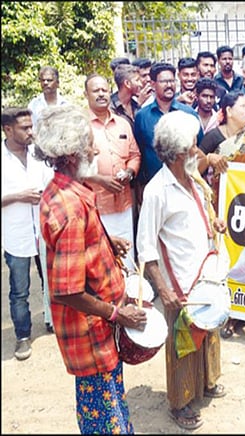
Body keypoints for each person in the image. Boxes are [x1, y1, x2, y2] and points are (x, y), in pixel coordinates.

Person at [34, 104, 147, 434]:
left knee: (110, 411)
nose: (95, 150)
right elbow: (67, 291)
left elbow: (77, 248)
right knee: (105, 421)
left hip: (97, 332)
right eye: (89, 145)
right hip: (91, 336)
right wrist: (118, 314)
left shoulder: (68, 190)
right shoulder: (69, 208)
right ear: (72, 155)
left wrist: (107, 241)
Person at [136, 110, 228, 431]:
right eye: (192, 146)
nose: (198, 151)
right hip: (180, 281)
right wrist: (163, 290)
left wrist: (216, 223)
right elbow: (146, 247)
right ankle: (180, 402)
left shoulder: (193, 178)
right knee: (183, 342)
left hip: (205, 272)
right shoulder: (157, 191)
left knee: (209, 330)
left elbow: (204, 213)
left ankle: (205, 383)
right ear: (177, 153)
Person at [2, 107, 55, 359]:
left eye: (31, 126)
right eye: (25, 128)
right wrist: (18, 197)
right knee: (19, 290)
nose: (31, 132)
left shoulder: (37, 154)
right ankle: (23, 336)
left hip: (43, 230)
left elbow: (52, 183)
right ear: (8, 130)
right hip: (17, 234)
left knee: (51, 280)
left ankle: (52, 321)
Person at [83, 74, 141, 272]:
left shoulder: (122, 124)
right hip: (96, 207)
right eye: (95, 90)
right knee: (103, 263)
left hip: (124, 204)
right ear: (86, 94)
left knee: (127, 257)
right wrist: (100, 180)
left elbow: (135, 155)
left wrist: (130, 172)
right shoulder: (80, 126)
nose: (101, 94)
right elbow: (72, 166)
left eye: (104, 90)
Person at [133, 62, 203, 189]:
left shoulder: (189, 114)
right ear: (153, 84)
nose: (169, 85)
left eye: (172, 81)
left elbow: (200, 148)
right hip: (155, 186)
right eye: (164, 81)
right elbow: (140, 152)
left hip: (186, 185)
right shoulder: (142, 116)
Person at [199, 90, 245, 205]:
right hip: (218, 199)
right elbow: (194, 169)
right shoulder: (213, 136)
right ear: (229, 111)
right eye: (242, 106)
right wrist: (208, 159)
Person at [110, 64, 143, 129]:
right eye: (137, 80)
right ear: (127, 83)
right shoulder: (110, 107)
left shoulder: (135, 105)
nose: (141, 84)